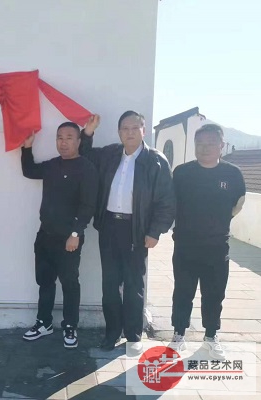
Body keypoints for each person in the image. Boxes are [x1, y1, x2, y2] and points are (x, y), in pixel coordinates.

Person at [80, 111, 175, 356]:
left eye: (135, 128)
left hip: (137, 230)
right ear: (119, 132)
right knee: (110, 284)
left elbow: (166, 201)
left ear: (144, 130)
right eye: (125, 128)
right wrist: (88, 131)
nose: (129, 132)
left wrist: (155, 232)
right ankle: (112, 333)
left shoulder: (156, 161)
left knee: (134, 285)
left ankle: (133, 336)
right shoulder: (110, 154)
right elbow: (85, 155)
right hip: (109, 226)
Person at [169, 124, 245, 359]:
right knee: (183, 292)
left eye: (211, 143)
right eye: (200, 143)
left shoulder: (232, 174)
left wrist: (217, 223)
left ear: (221, 145)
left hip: (217, 247)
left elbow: (238, 204)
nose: (205, 148)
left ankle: (211, 337)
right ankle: (178, 335)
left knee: (214, 294)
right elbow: (171, 203)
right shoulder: (182, 173)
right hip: (185, 245)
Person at [20, 122, 98, 349]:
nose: (63, 142)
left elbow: (88, 205)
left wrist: (75, 233)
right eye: (60, 138)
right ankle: (44, 322)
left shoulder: (86, 168)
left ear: (79, 141)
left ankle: (70, 325)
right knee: (45, 282)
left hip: (69, 238)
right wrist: (27, 148)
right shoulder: (52, 165)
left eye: (69, 138)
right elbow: (29, 171)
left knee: (69, 283)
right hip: (45, 235)